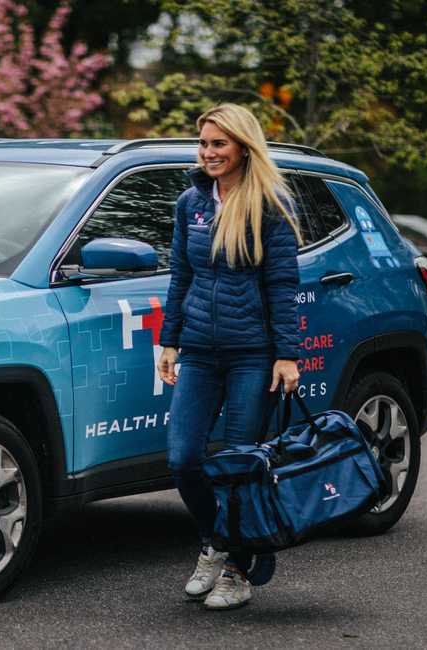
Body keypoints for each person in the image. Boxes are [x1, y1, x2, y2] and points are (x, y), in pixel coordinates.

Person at [157, 103, 303, 610]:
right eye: (203, 143)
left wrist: (286, 354)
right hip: (198, 348)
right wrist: (168, 339)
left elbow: (283, 284)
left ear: (243, 146)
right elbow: (181, 275)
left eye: (219, 143)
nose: (209, 152)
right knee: (183, 457)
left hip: (251, 355)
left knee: (240, 464)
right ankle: (215, 541)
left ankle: (239, 568)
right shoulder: (190, 204)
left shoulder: (270, 204)